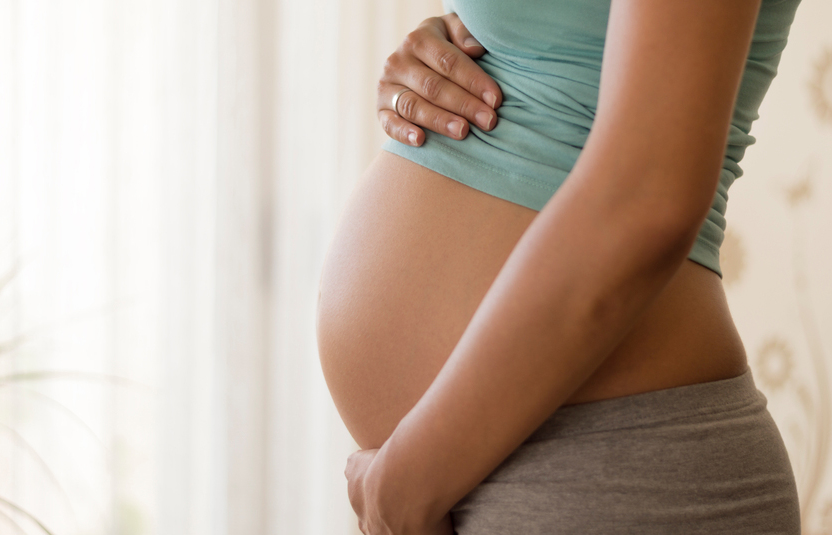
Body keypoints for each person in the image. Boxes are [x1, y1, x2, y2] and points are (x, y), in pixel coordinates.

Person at [316, 0, 804, 533]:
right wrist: (450, 46)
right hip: (469, 475)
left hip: (613, 474)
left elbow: (649, 200)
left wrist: (403, 488)